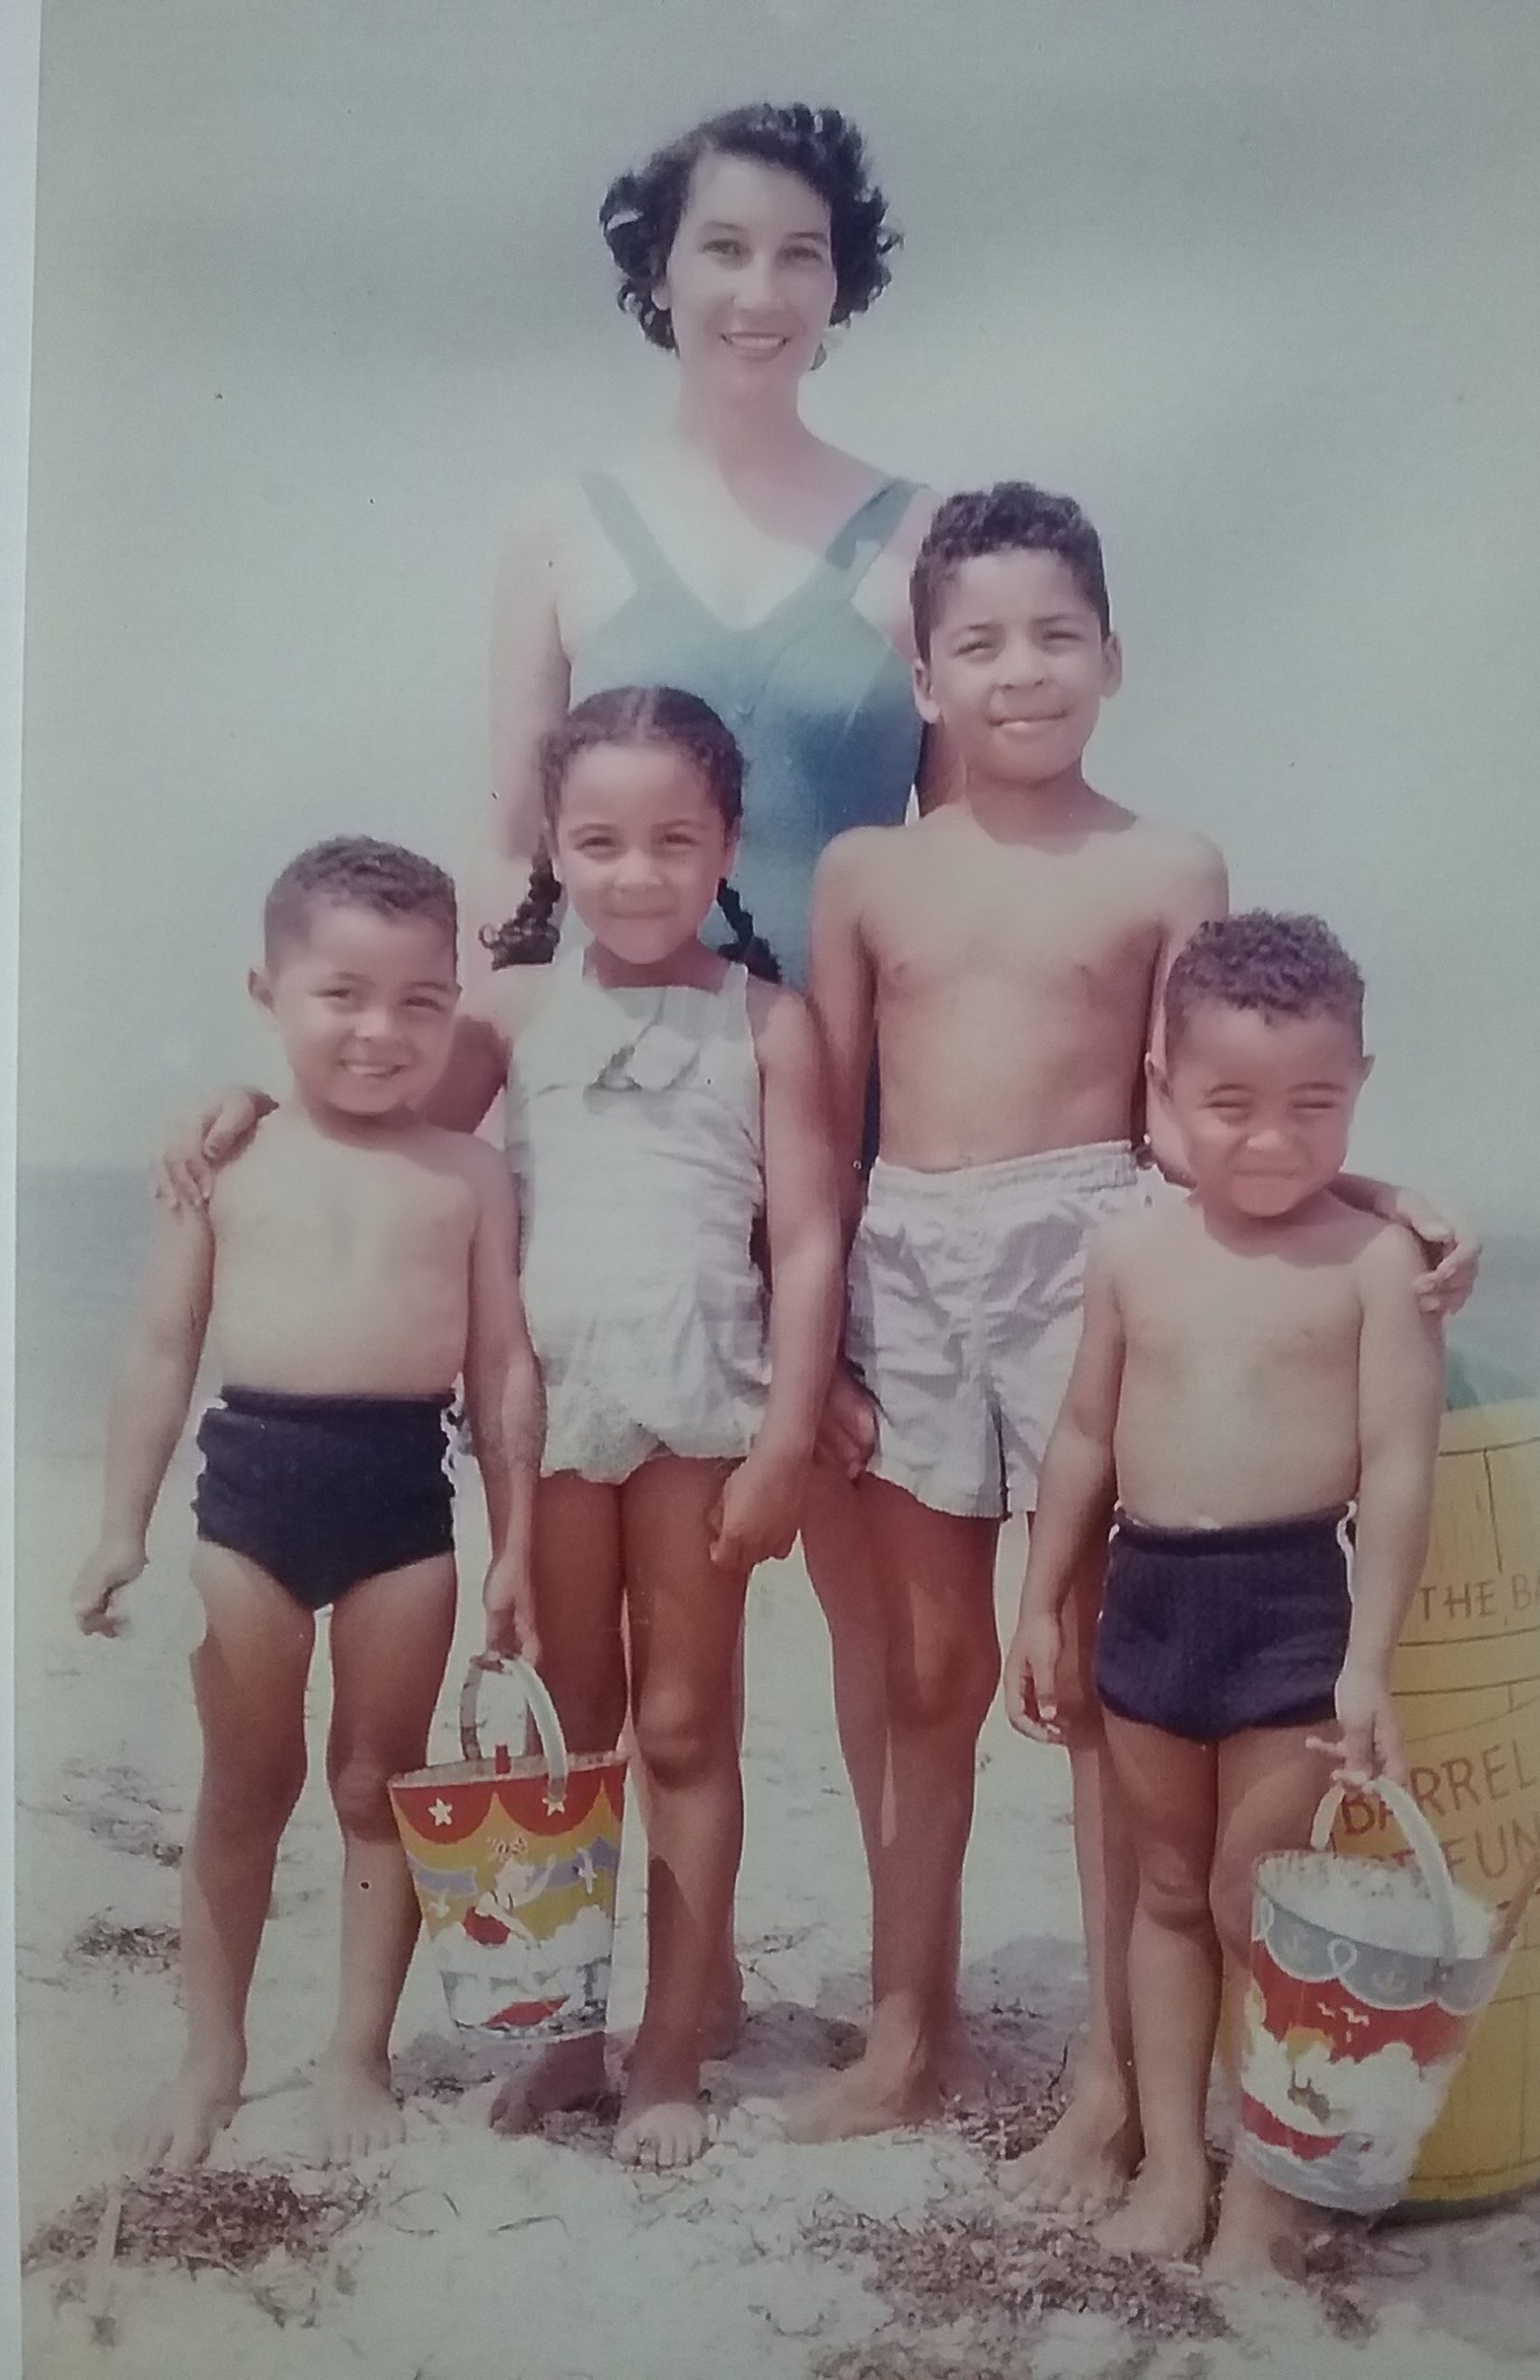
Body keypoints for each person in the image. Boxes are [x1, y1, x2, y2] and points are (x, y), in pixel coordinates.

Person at [795, 484, 1467, 2153]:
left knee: (1098, 1678)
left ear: (1112, 654)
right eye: (980, 643)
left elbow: (1202, 1117)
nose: (1021, 671)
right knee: (930, 1667)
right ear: (926, 676)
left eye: (1056, 636)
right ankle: (907, 2031)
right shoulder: (867, 868)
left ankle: (1110, 2074)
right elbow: (817, 1116)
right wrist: (808, 1350)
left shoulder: (1168, 862)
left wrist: (1370, 1196)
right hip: (909, 1262)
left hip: (1092, 1242)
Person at [155, 690, 841, 2165]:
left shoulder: (771, 1021)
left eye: (675, 839)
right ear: (551, 846)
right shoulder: (513, 1010)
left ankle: (668, 2054)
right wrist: (232, 1105)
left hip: (699, 1404)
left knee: (682, 1724)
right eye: (599, 841)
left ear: (729, 842)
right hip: (554, 1415)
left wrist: (790, 1430)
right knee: (576, 1733)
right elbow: (375, 1124)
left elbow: (810, 1239)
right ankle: (569, 2039)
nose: (638, 872)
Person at [470, 98, 955, 2071]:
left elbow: (968, 852)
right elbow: (507, 852)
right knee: (620, 1621)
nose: (760, 289)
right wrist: (334, 1096)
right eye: (722, 249)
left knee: (884, 1612)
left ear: (842, 289)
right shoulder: (563, 525)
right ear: (655, 273)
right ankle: (668, 1988)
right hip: (630, 1133)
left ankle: (908, 2007)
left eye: (801, 255)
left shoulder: (922, 534)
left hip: (858, 1112)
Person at [70, 840, 542, 2172]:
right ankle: (210, 2057)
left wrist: (518, 1548)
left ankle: (355, 2055)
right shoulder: (224, 1162)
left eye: (420, 999)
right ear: (268, 989)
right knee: (247, 1785)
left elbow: (504, 1368)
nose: (381, 1032)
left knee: (378, 1787)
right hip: (251, 1501)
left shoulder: (470, 1174)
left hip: (405, 1500)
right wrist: (121, 1524)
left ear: (456, 1001)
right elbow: (160, 1351)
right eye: (342, 994)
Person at [1006, 911, 1445, 2281]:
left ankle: (1267, 2182)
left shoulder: (1377, 1265)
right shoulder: (1130, 1252)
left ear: (1361, 1086)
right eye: (1230, 1105)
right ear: (1165, 1090)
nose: (1270, 1139)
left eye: (1313, 1106)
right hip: (1149, 1596)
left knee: (1263, 1903)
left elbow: (1400, 1470)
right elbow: (1082, 1436)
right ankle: (1172, 2164)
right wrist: (1040, 1601)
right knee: (1168, 1887)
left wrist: (1367, 1666)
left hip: (1287, 1611)